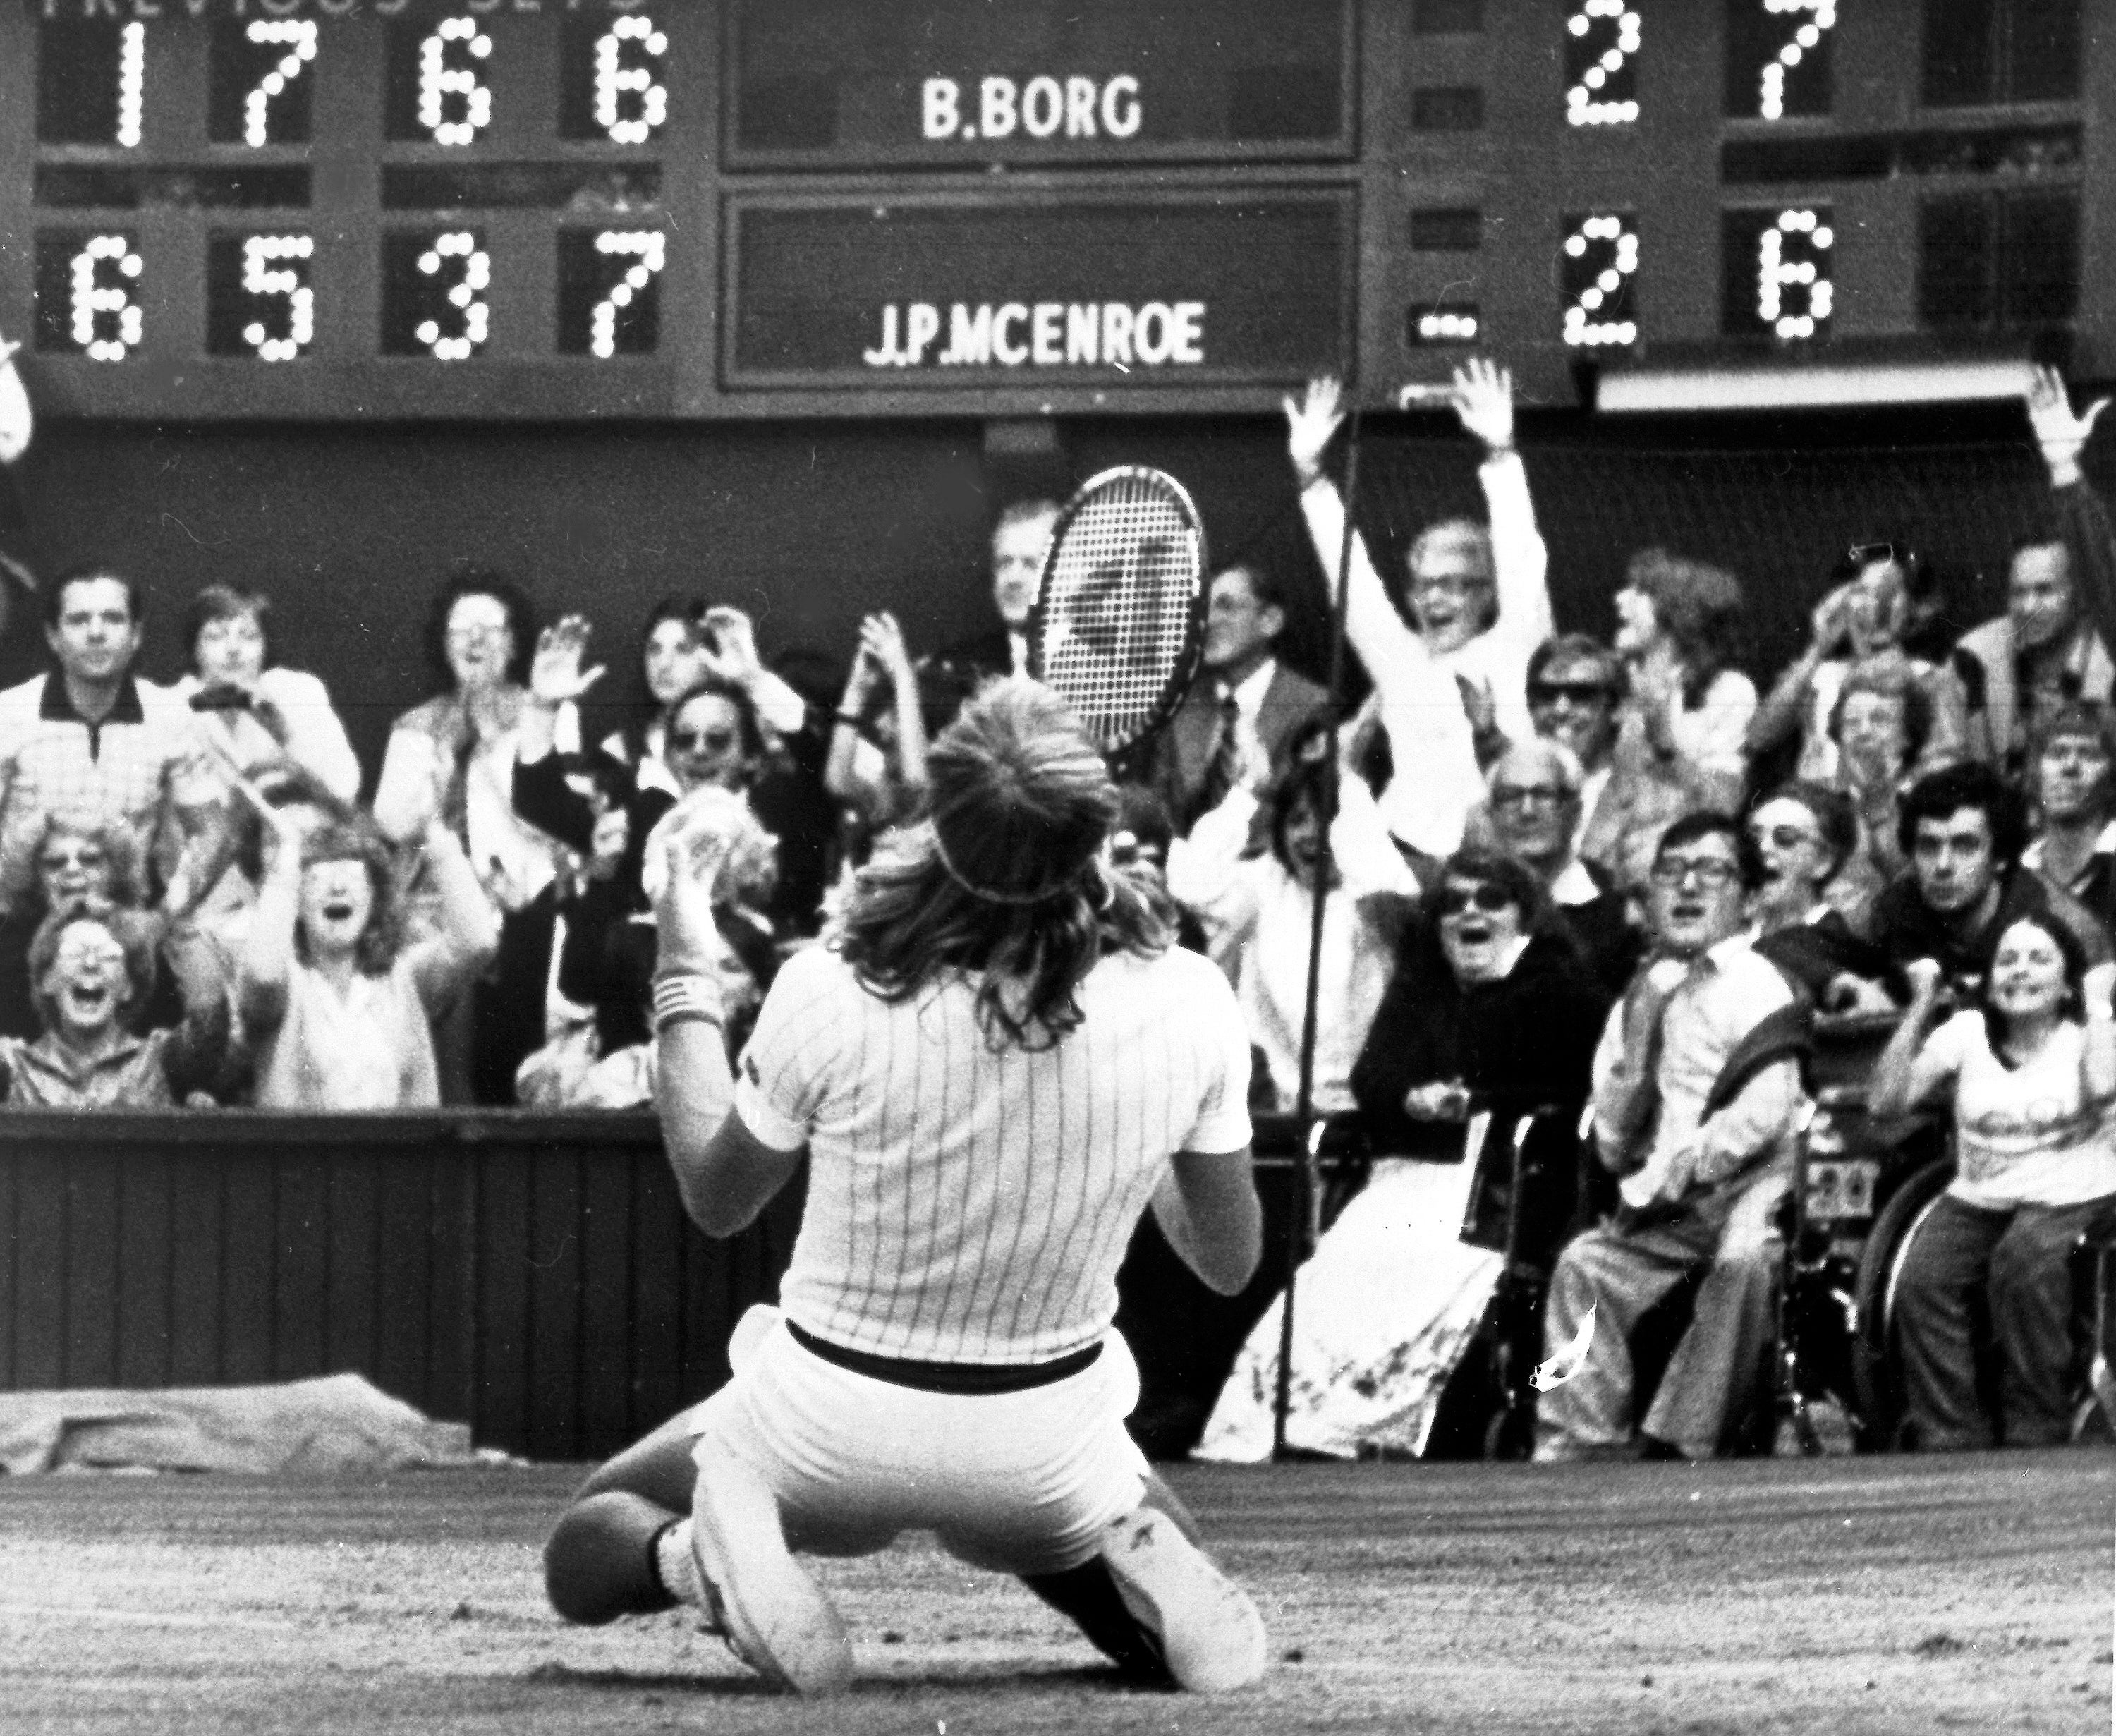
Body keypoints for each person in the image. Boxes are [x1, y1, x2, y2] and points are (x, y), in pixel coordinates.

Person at [540, 681, 1270, 1696]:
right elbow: (1227, 1261)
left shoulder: (833, 985)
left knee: (586, 1543)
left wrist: (682, 943)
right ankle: (1124, 1563)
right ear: (1089, 836)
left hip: (820, 1420)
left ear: (944, 822)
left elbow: (716, 1195)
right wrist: (1131, 1135)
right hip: (1047, 1446)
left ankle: (701, 1558)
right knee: (1078, 1545)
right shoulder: (1191, 996)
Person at [1196, 846, 1607, 1462]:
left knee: (1417, 1252)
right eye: (1452, 903)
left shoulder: (1560, 986)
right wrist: (1412, 1097)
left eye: (1490, 899)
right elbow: (1373, 1078)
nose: (1470, 913)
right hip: (1410, 1173)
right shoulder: (1423, 986)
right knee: (1344, 1257)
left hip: (1503, 1177)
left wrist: (1474, 1098)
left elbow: (1564, 1082)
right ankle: (1301, 1427)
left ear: (1524, 914)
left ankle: (1385, 1423)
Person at [1534, 813, 1806, 1462]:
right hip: (1670, 1199)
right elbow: (1610, 1142)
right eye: (1671, 871)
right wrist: (1641, 1029)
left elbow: (1766, 1110)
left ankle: (1680, 1441)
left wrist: (1688, 1167)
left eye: (1710, 871)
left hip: (1754, 1178)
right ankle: (1582, 1442)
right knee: (1584, 1264)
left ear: (1749, 895)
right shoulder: (1639, 994)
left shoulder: (1755, 981)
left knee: (1742, 1260)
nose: (1687, 887)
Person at [1284, 363, 1554, 859]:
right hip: (1403, 863)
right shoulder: (1398, 660)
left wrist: (1501, 453)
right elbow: (1353, 581)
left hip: (1495, 856)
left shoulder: (1515, 646)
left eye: (1455, 586)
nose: (1435, 600)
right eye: (1426, 586)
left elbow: (1520, 559)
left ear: (1487, 594)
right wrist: (1312, 479)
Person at [1868, 919, 2116, 1449]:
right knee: (1920, 1279)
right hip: (1980, 1193)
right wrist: (1919, 1005)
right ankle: (1951, 1429)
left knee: (2022, 1260)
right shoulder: (1965, 1033)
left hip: (2073, 1192)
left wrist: (2098, 1001)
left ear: (2067, 981)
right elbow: (1885, 1103)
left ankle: (2037, 1421)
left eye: (2038, 959)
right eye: (2008, 959)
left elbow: (2104, 1086)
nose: (2020, 970)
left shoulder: (2086, 1035)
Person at [373, 566, 571, 1103]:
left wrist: (487, 740)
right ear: (445, 643)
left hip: (526, 897)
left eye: (491, 626)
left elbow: (549, 821)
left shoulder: (548, 712)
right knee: (446, 952)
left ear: (514, 641)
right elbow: (392, 827)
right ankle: (444, 1115)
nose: (476, 638)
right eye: (462, 628)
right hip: (435, 904)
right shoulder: (417, 725)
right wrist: (434, 786)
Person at [1165, 717, 1421, 1114]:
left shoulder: (1374, 887)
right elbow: (1190, 880)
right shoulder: (1267, 883)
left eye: (1326, 818)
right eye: (1298, 819)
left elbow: (1382, 877)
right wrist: (1247, 792)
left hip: (1369, 1103)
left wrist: (1349, 783)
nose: (1310, 834)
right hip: (1280, 1105)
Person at [0, 565, 233, 920]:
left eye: (112, 619)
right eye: (79, 620)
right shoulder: (10, 714)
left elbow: (213, 833)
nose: (96, 633)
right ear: (53, 637)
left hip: (127, 921)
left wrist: (165, 917)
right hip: (20, 920)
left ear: (136, 635)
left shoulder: (168, 717)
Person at [239, 803, 496, 1110]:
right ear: (298, 903)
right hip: (306, 1158)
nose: (337, 887)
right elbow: (261, 974)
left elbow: (477, 941)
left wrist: (434, 834)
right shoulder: (286, 985)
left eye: (353, 876)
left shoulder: (405, 978)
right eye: (317, 878)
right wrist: (287, 865)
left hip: (394, 1157)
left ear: (375, 899)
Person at [1952, 368, 2116, 772]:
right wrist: (2065, 470)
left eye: (2045, 591)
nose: (2030, 605)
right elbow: (2106, 581)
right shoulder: (1977, 656)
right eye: (2020, 591)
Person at [1867, 760, 2109, 995]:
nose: (1943, 866)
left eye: (1964, 846)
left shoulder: (2064, 928)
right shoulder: (1895, 910)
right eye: (1929, 847)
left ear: (2000, 857)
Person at [1746, 541, 1966, 786]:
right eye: (1862, 593)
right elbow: (1759, 737)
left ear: (1912, 609)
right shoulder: (1820, 676)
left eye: (1888, 594)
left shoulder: (1930, 678)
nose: (1874, 608)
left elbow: (1946, 766)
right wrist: (1818, 648)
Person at [1150, 562, 1327, 833]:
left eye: (1227, 607)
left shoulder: (1312, 707)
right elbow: (1162, 813)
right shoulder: (1180, 709)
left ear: (1270, 621)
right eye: (1203, 609)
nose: (1207, 622)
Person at [0, 903, 231, 1107]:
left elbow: (208, 1025)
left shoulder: (158, 1059)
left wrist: (183, 919)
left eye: (108, 956)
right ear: (46, 981)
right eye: (73, 954)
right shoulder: (14, 1065)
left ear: (127, 987)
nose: (90, 964)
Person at [169, 584, 362, 806]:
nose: (234, 649)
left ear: (265, 645)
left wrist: (285, 734)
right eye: (216, 636)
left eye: (249, 636)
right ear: (194, 647)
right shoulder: (172, 706)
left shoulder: (297, 691)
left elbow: (344, 789)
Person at [1481, 737, 1638, 993]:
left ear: (1575, 812)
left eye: (1543, 795)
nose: (1527, 811)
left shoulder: (1617, 906)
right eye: (1511, 797)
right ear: (1491, 815)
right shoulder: (1463, 902)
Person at [1745, 782, 1885, 1004]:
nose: (1762, 848)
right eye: (1753, 838)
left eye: (1785, 838)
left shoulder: (1837, 944)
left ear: (1822, 862)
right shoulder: (1735, 930)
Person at [2018, 703, 2116, 936]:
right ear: (2036, 772)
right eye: (2058, 753)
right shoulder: (2022, 870)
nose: (2070, 767)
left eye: (2089, 755)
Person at [940, 498, 1061, 681]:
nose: (1013, 579)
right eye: (1004, 563)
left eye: (1030, 564)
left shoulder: (1107, 661)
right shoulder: (959, 668)